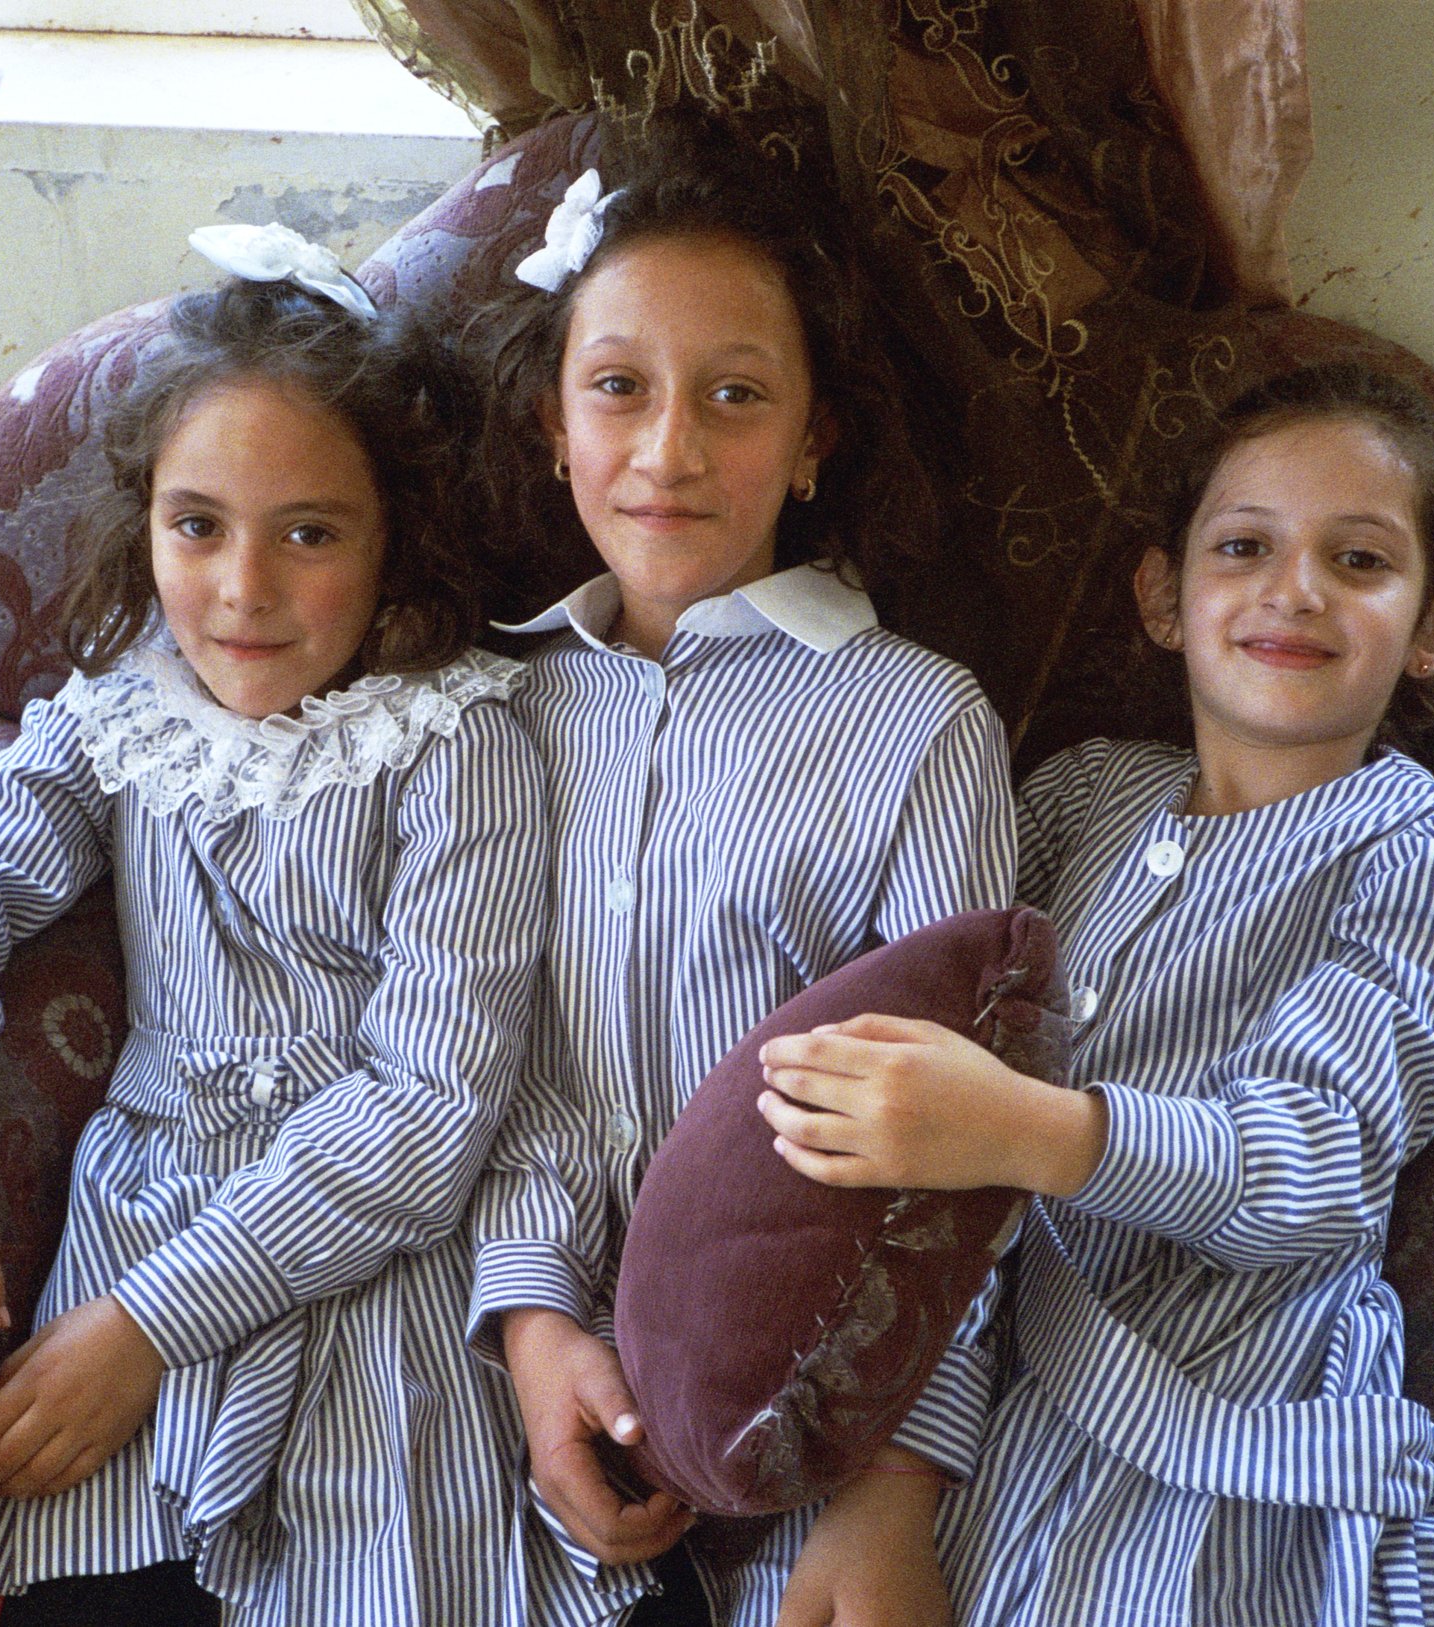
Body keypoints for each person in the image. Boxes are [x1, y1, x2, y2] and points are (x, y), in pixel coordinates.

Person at [0, 225, 548, 1626]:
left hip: (372, 1264)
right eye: (197, 523)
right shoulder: (121, 708)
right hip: (138, 1219)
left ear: (396, 539)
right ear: (145, 521)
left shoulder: (465, 744)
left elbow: (431, 1104)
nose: (242, 589)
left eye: (309, 533)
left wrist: (150, 1325)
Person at [754, 362, 1434, 1626]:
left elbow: (1316, 1158)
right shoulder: (1077, 797)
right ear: (1160, 596)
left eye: (1357, 562)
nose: (1291, 590)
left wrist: (1022, 1129)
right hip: (960, 1397)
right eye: (1242, 545)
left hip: (1224, 1427)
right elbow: (929, 1158)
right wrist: (888, 1484)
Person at [458, 112, 1017, 1627]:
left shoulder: (914, 721)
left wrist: (890, 1493)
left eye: (738, 396)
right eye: (620, 389)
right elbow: (471, 1063)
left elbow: (957, 1154)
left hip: (832, 1404)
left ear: (818, 435)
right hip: (504, 1370)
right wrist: (529, 1332)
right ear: (551, 424)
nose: (669, 451)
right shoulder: (479, 711)